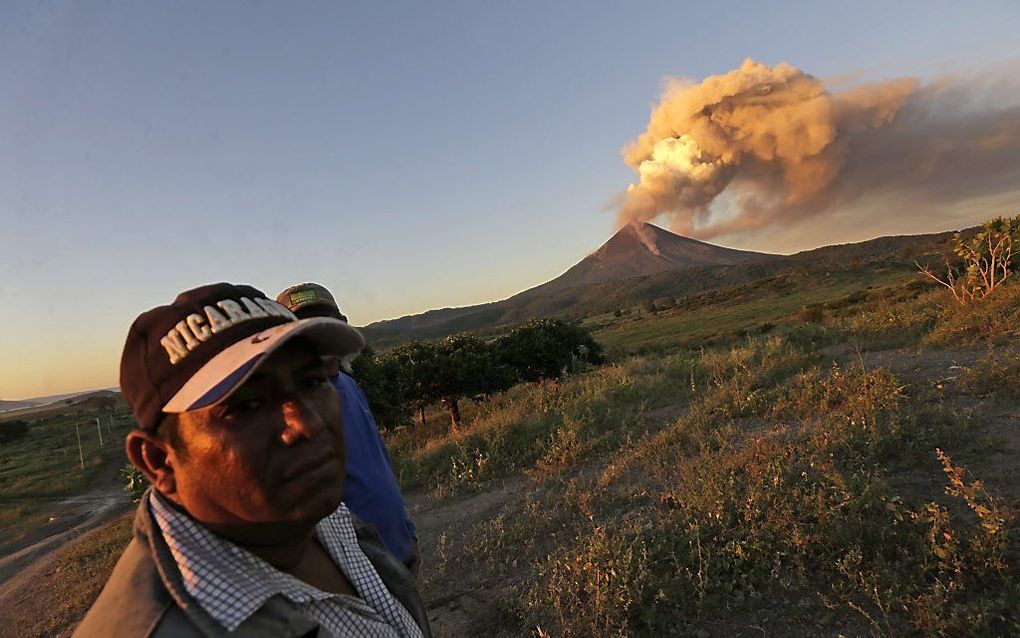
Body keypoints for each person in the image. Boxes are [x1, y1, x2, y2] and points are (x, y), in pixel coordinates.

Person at [74, 283, 431, 637]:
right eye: (245, 405)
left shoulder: (308, 513)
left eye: (312, 382)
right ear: (159, 461)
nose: (306, 423)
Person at [276, 283, 418, 572]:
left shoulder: (349, 385)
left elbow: (377, 461)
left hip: (399, 547)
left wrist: (406, 530)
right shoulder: (287, 411)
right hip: (358, 566)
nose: (318, 337)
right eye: (303, 328)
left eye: (328, 325)